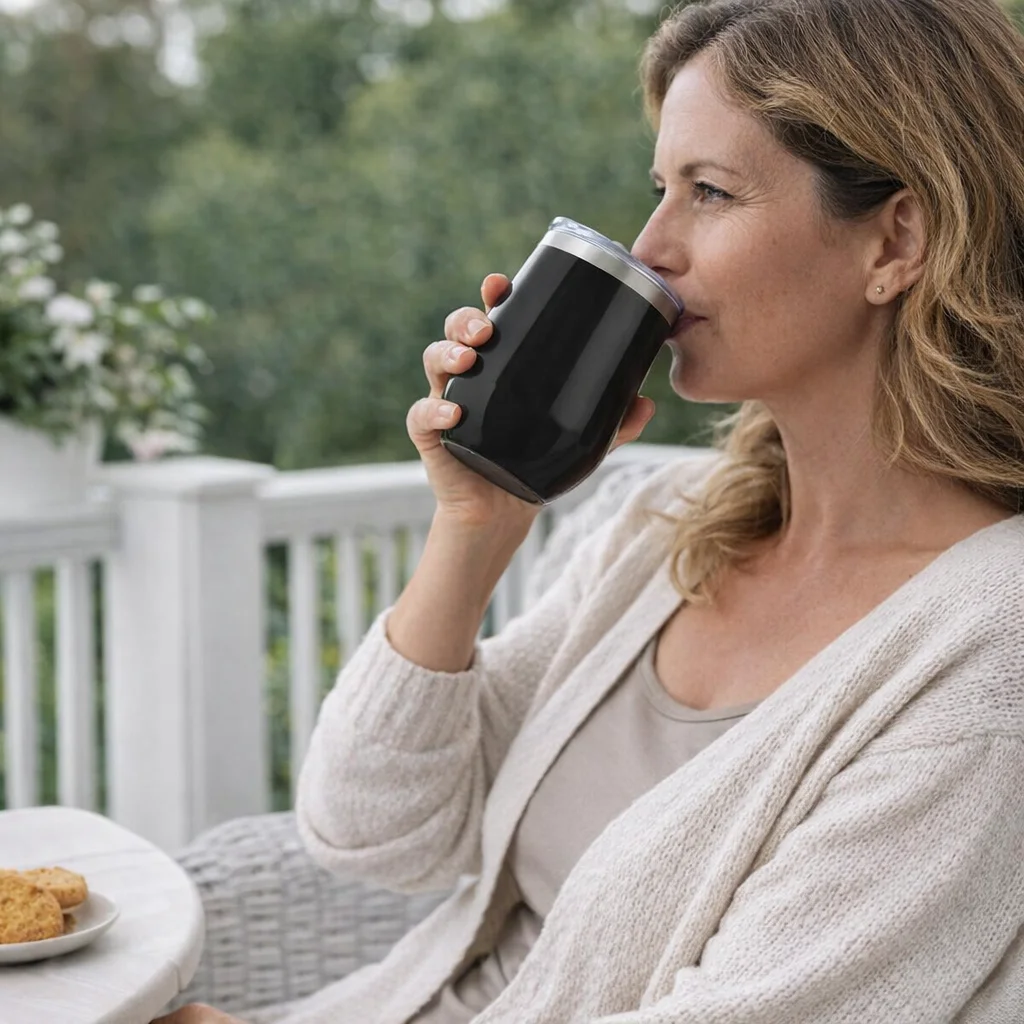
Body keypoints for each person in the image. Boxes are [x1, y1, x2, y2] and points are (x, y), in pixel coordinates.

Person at [155, 0, 1024, 1021]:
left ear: (896, 238)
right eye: (659, 188)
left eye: (710, 191)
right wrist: (473, 527)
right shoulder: (666, 522)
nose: (651, 245)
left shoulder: (989, 646)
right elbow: (374, 834)